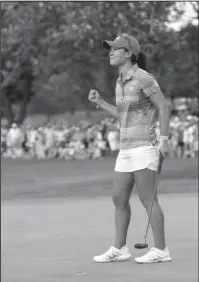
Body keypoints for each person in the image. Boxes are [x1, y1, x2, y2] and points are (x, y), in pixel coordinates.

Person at [88, 34, 171, 264]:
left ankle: (162, 250)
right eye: (110, 49)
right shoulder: (119, 81)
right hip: (125, 148)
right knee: (119, 198)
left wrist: (163, 139)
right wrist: (101, 103)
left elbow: (163, 107)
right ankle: (120, 248)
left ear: (129, 53)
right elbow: (123, 115)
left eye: (115, 49)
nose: (110, 52)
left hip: (144, 145)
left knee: (148, 199)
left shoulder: (144, 78)